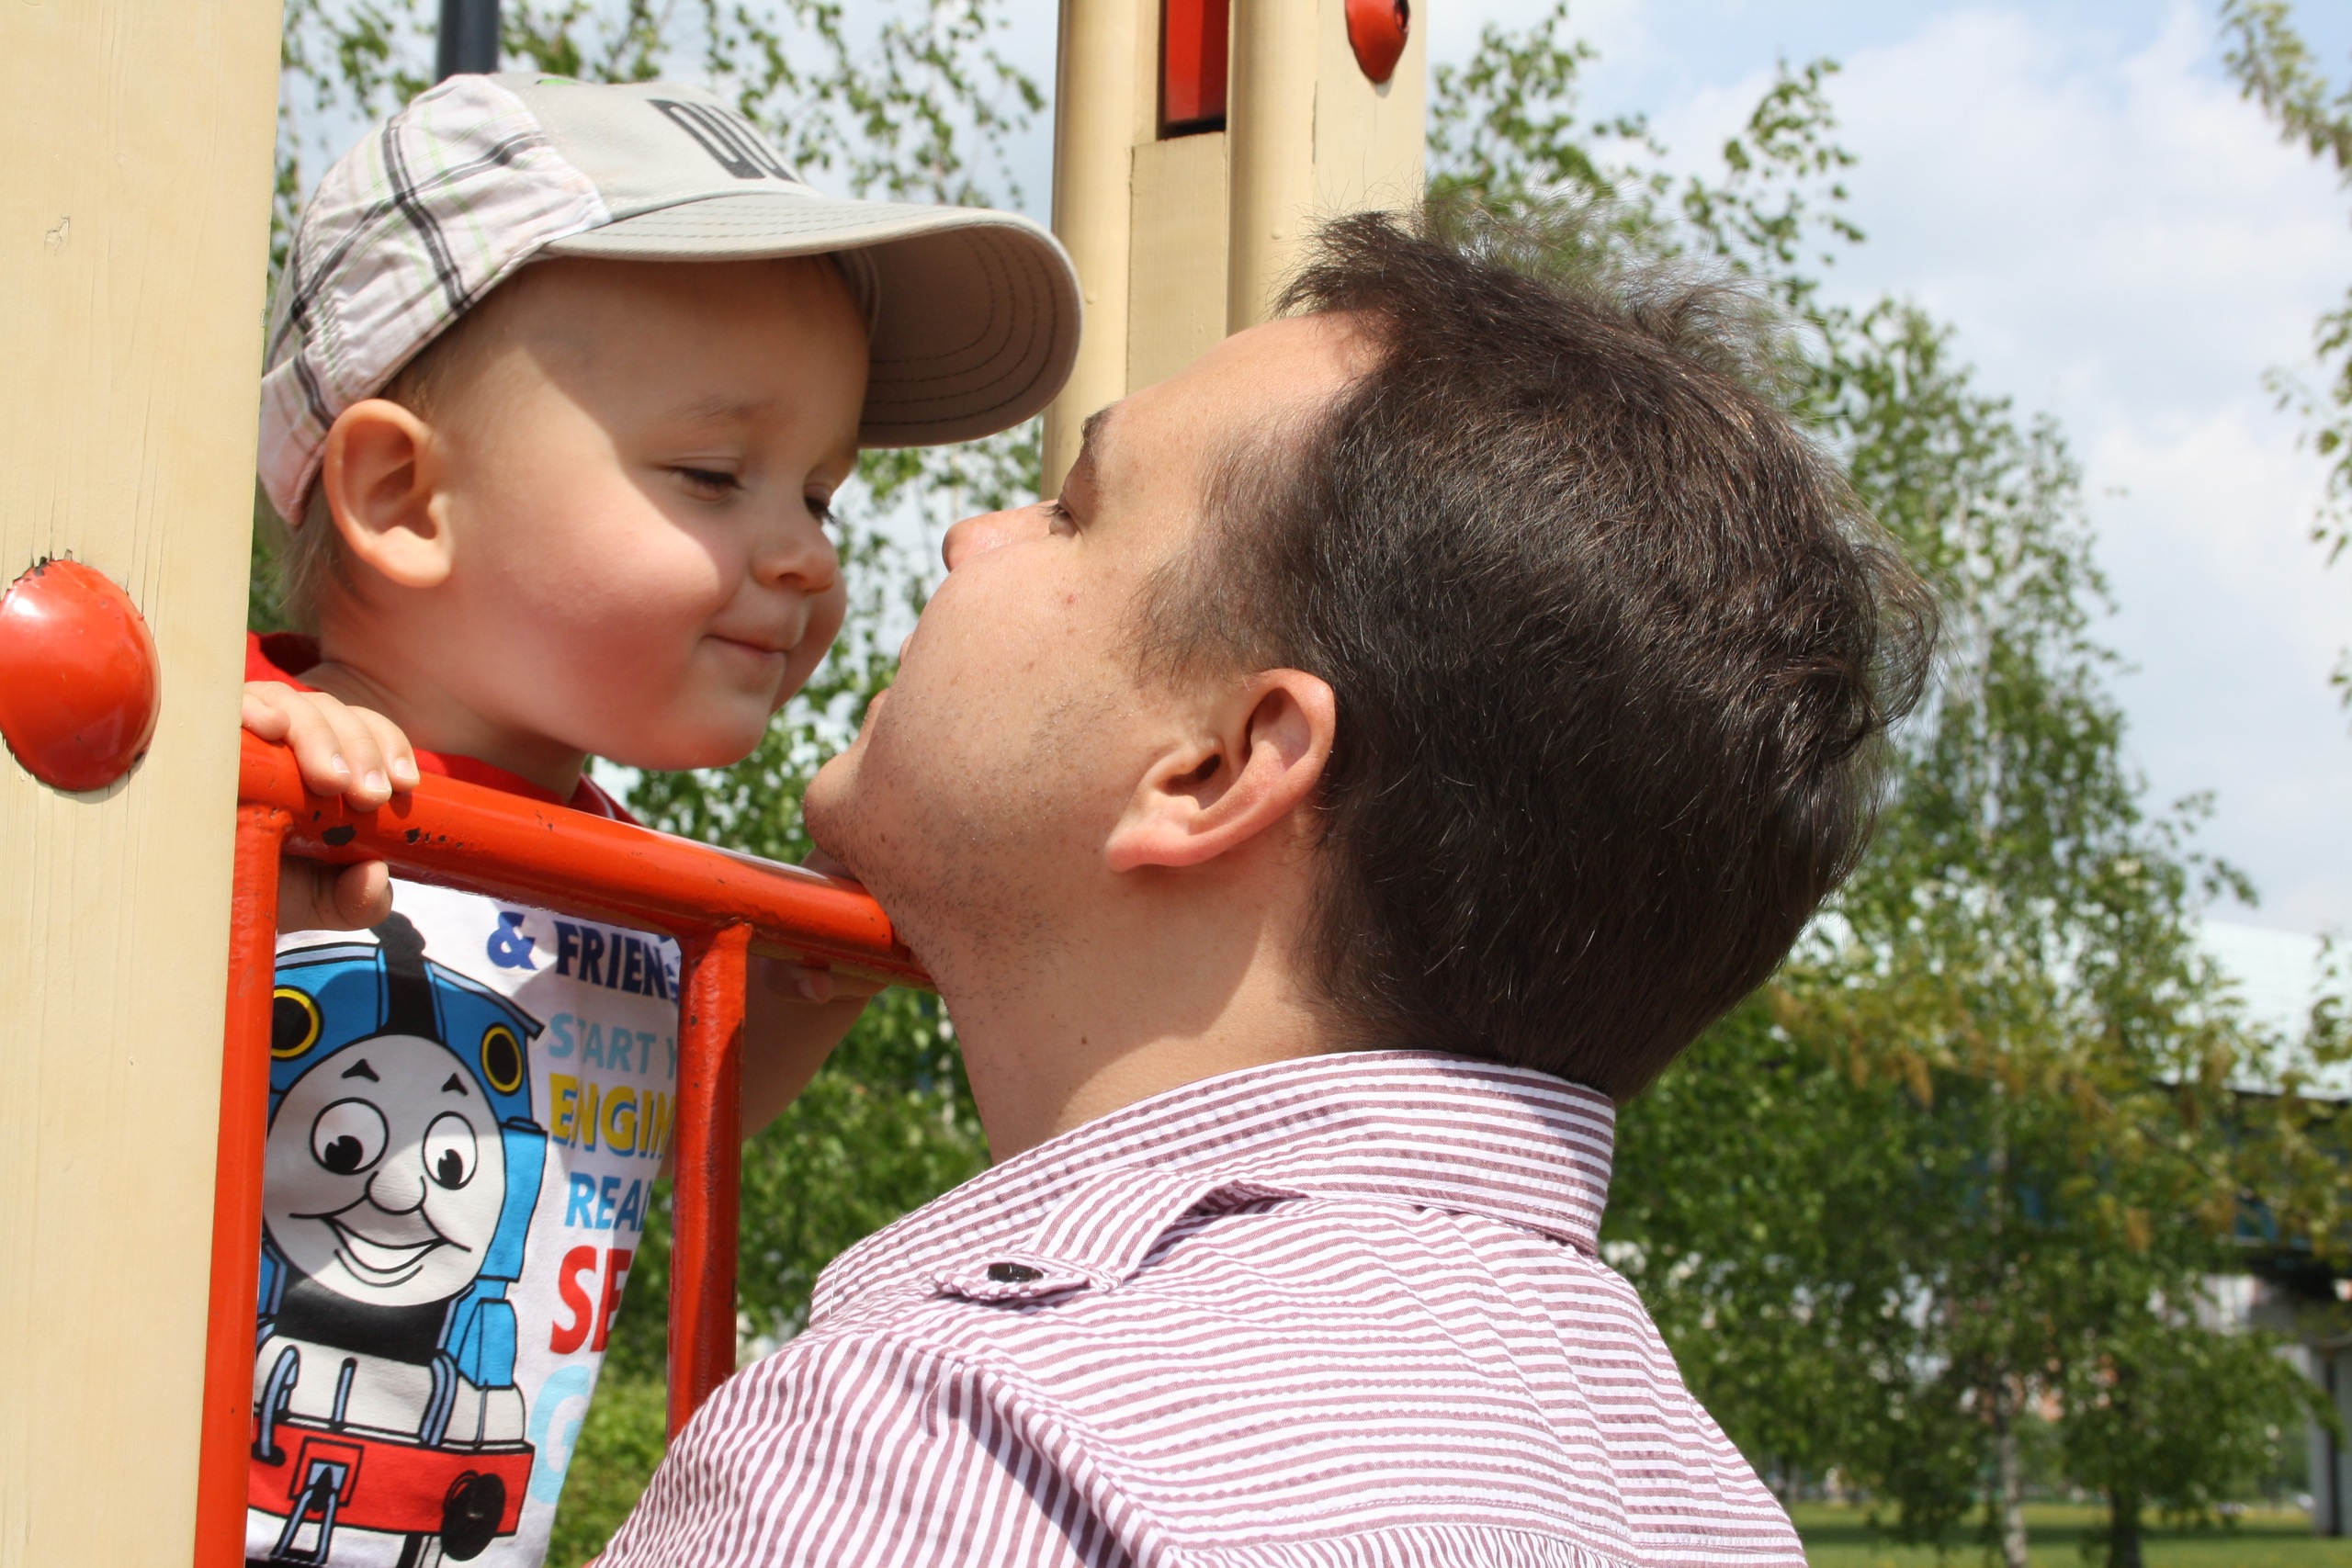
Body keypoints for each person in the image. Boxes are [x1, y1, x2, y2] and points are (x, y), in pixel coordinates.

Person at [597, 209, 1938, 1567]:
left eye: (1074, 512)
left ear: (1215, 768)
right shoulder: (1702, 1501)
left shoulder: (936, 1453)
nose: (969, 535)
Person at [234, 72, 1078, 1567]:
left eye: (818, 494)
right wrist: (216, 816)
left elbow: (635, 1127)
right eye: (714, 474)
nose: (806, 558)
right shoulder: (211, 757)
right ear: (404, 497)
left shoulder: (615, 876)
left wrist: (813, 974)